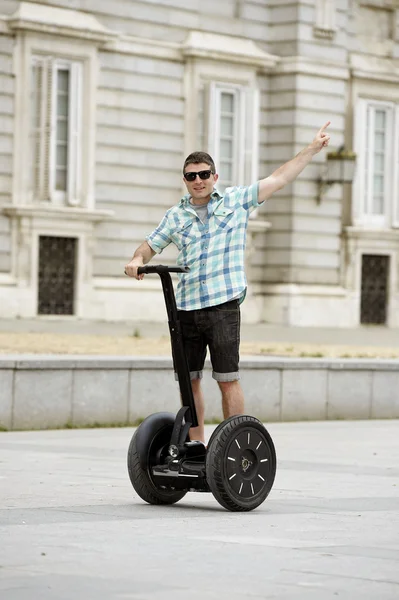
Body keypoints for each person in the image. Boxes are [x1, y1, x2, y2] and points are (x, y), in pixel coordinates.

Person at [125, 121, 331, 443]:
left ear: (214, 177)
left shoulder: (235, 202)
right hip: (187, 309)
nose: (198, 180)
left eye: (204, 174)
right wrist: (137, 261)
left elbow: (280, 178)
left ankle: (234, 446)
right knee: (189, 381)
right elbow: (149, 246)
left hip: (223, 307)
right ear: (185, 180)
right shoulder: (175, 216)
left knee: (227, 379)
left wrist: (312, 149)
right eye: (191, 176)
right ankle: (195, 445)